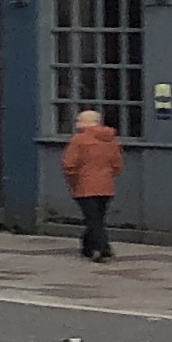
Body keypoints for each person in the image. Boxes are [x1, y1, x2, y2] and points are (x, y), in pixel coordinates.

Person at [62, 106, 123, 262]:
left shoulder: (79, 139)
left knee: (93, 219)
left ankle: (103, 248)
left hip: (85, 185)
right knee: (97, 218)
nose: (76, 122)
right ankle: (87, 247)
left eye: (79, 120)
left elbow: (69, 165)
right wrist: (108, 176)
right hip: (106, 185)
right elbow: (117, 164)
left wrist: (73, 181)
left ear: (85, 122)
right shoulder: (111, 140)